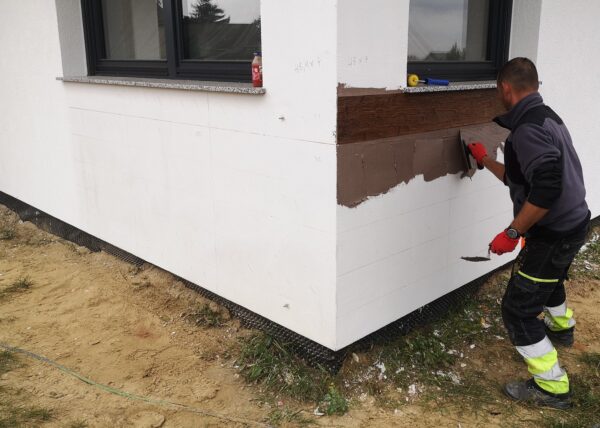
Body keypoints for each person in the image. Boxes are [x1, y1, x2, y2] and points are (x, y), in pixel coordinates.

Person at [467, 57, 590, 410]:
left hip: (554, 233)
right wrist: (485, 159)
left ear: (505, 88)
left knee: (518, 311)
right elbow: (522, 178)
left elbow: (546, 189)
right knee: (549, 279)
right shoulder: (547, 117)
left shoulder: (527, 130)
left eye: (498, 90)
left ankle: (551, 387)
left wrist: (512, 232)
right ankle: (562, 329)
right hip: (573, 223)